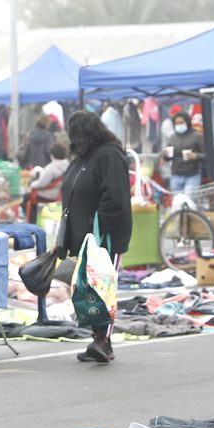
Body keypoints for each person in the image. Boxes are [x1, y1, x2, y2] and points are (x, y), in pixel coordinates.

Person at [60, 110, 131, 364]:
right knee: (89, 288)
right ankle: (97, 337)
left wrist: (99, 228)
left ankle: (104, 341)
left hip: (105, 236)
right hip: (86, 237)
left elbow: (115, 197)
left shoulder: (109, 155)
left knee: (105, 288)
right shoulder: (83, 158)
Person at [25, 142, 69, 223]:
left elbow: (41, 184)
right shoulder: (68, 165)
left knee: (26, 197)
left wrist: (31, 184)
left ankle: (32, 221)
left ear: (52, 155)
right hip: (60, 194)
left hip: (48, 195)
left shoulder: (51, 167)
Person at [163, 111, 205, 197]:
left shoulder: (197, 136)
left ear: (187, 122)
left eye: (181, 123)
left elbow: (206, 155)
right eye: (177, 123)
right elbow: (167, 158)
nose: (179, 125)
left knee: (189, 201)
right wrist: (165, 154)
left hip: (192, 175)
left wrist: (195, 156)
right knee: (177, 202)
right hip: (176, 175)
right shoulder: (173, 137)